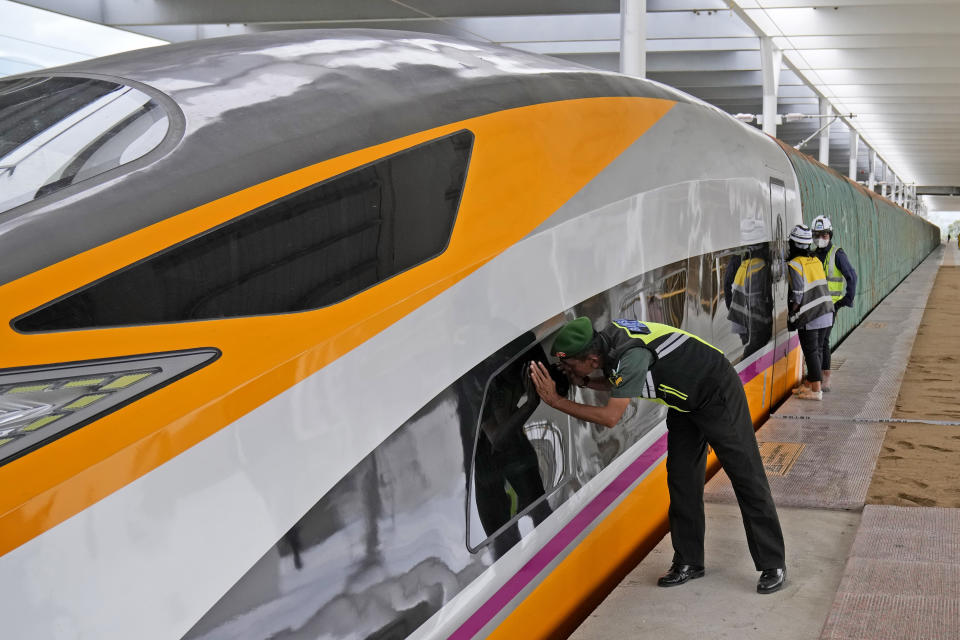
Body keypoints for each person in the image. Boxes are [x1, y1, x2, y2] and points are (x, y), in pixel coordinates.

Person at [528, 316, 787, 594]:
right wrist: (588, 382)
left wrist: (556, 401)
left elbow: (610, 416)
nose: (565, 370)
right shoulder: (609, 346)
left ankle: (773, 563)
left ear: (592, 359)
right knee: (681, 479)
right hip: (683, 401)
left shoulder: (630, 355)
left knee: (747, 476)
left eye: (568, 364)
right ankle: (689, 561)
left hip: (717, 392)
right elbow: (624, 381)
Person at [787, 224, 834, 401]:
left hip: (811, 314)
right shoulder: (815, 260)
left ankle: (816, 390)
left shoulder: (795, 264)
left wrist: (792, 312)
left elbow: (798, 294)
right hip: (826, 311)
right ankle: (809, 384)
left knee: (811, 351)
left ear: (793, 244)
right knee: (819, 349)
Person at [810, 216, 857, 392]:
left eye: (824, 234)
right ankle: (816, 378)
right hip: (814, 306)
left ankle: (825, 378)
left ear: (830, 235)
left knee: (822, 341)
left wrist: (846, 300)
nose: (820, 238)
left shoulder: (837, 254)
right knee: (816, 341)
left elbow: (852, 276)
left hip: (829, 306)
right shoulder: (812, 254)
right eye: (816, 234)